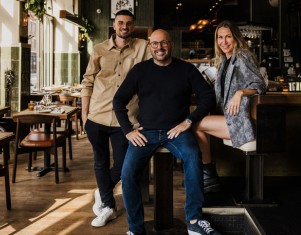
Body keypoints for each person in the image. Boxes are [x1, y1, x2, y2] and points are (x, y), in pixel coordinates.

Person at [113, 29, 220, 235]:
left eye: (163, 43)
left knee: (193, 157)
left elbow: (208, 96)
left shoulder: (186, 69)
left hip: (176, 131)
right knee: (127, 174)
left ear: (171, 44)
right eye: (154, 44)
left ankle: (194, 221)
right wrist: (128, 131)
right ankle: (135, 229)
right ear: (149, 46)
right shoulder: (139, 70)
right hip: (146, 133)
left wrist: (188, 121)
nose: (159, 48)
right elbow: (118, 100)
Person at [80, 9, 151, 228]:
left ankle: (102, 192)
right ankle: (108, 207)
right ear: (114, 24)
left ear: (133, 26)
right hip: (97, 115)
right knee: (100, 161)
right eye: (120, 23)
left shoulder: (143, 48)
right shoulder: (99, 49)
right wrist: (84, 115)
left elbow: (154, 68)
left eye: (129, 23)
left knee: (122, 165)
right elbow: (88, 80)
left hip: (126, 119)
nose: (124, 27)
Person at [193, 20, 267, 193]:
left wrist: (240, 92)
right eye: (220, 37)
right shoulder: (225, 60)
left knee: (195, 123)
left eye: (228, 37)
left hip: (241, 122)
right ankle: (208, 175)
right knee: (196, 123)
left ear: (236, 38)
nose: (223, 41)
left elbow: (260, 85)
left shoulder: (242, 56)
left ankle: (208, 175)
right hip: (229, 118)